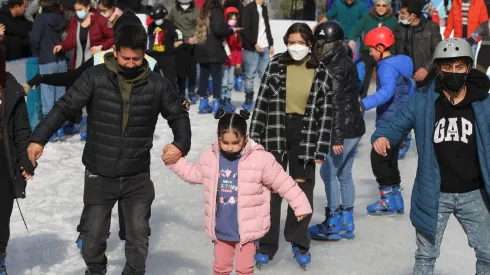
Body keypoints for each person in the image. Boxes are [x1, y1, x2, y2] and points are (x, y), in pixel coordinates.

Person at [27, 23, 191, 275]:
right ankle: (95, 270)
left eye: (137, 58)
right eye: (125, 57)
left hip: (136, 174)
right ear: (114, 51)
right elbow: (64, 107)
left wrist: (180, 144)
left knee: (138, 237)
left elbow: (178, 116)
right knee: (91, 239)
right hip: (99, 172)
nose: (130, 63)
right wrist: (39, 139)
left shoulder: (157, 84)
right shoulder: (95, 77)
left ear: (144, 54)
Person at [372, 38, 490, 275]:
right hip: (434, 193)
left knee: (488, 254)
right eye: (447, 67)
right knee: (425, 256)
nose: (453, 72)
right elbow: (396, 124)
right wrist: (383, 135)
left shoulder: (484, 101)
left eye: (459, 67)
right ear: (438, 69)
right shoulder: (424, 100)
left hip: (474, 193)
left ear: (468, 68)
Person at [166, 108, 312, 275]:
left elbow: (283, 182)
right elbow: (194, 174)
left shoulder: (260, 160)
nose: (229, 147)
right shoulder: (211, 158)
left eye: (235, 143)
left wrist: (300, 205)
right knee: (220, 268)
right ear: (218, 137)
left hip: (247, 231)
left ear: (245, 138)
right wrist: (174, 162)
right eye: (225, 142)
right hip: (221, 229)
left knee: (244, 269)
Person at [249, 22, 330, 270]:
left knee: (301, 190)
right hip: (275, 128)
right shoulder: (275, 64)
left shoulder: (320, 70)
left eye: (301, 42)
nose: (296, 47)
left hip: (305, 132)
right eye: (291, 42)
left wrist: (321, 146)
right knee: (270, 190)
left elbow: (325, 112)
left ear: (310, 44)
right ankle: (266, 244)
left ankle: (299, 241)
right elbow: (262, 101)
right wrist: (253, 138)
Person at [307, 21, 365, 241]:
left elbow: (336, 103)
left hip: (343, 130)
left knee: (329, 173)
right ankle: (347, 221)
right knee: (344, 174)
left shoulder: (336, 66)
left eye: (320, 44)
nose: (317, 48)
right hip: (354, 127)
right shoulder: (342, 60)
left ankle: (332, 222)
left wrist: (336, 137)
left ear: (330, 43)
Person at [360, 26, 414, 216]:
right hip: (402, 119)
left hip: (389, 120)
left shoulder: (386, 67)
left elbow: (387, 92)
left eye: (372, 49)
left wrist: (363, 104)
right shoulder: (403, 64)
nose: (370, 53)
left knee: (379, 158)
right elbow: (411, 88)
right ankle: (396, 198)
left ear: (381, 47)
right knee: (391, 160)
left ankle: (386, 200)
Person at [0, 39, 36, 275]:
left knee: (2, 212)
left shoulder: (11, 89)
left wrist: (26, 160)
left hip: (4, 160)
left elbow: (22, 130)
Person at [29, 0, 67, 142]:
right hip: (61, 60)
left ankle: (49, 131)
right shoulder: (61, 19)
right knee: (60, 96)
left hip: (46, 59)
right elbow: (65, 37)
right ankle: (60, 128)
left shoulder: (40, 19)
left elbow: (34, 38)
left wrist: (36, 51)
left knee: (47, 97)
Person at [194, 0, 239, 115]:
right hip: (213, 49)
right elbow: (219, 30)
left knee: (204, 76)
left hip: (202, 48)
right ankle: (216, 105)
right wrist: (230, 30)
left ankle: (203, 104)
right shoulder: (217, 10)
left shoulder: (204, 10)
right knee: (216, 78)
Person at [348, 0, 397, 98]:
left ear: (388, 7)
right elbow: (356, 29)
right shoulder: (367, 18)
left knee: (383, 79)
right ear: (374, 6)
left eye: (384, 5)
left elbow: (397, 36)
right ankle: (361, 102)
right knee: (364, 78)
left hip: (384, 53)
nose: (381, 8)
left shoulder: (392, 20)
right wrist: (352, 39)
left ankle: (382, 103)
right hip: (367, 51)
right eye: (378, 5)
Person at [53, 0, 113, 70]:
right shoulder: (74, 21)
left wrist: (101, 47)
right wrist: (61, 46)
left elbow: (113, 37)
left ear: (88, 7)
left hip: (95, 63)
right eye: (76, 10)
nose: (78, 12)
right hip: (78, 64)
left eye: (80, 9)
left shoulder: (100, 20)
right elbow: (70, 41)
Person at [394, 0, 442, 89]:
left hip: (426, 78)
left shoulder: (432, 28)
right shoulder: (398, 28)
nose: (399, 15)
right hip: (404, 79)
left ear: (413, 16)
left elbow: (439, 52)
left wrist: (426, 68)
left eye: (403, 13)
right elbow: (394, 52)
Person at [240, 0, 274, 111]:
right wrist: (254, 43)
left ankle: (267, 99)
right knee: (250, 75)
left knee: (265, 75)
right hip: (251, 48)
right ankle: (249, 98)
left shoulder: (264, 9)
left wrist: (271, 44)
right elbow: (245, 28)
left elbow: (267, 27)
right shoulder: (248, 8)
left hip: (264, 46)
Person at [168, 0, 200, 104]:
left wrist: (195, 37)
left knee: (191, 69)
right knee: (179, 69)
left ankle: (191, 90)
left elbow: (200, 26)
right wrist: (174, 35)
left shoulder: (195, 9)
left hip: (191, 43)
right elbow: (168, 23)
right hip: (179, 42)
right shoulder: (174, 9)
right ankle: (181, 91)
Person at [148, 4, 182, 93]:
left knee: (169, 77)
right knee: (154, 77)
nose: (156, 21)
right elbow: (149, 38)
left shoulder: (169, 25)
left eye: (158, 19)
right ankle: (157, 95)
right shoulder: (151, 26)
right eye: (155, 19)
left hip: (166, 55)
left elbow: (179, 34)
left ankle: (174, 95)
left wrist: (178, 42)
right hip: (154, 55)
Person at [221, 7, 242, 112]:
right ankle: (222, 100)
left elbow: (238, 47)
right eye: (231, 19)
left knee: (230, 82)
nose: (233, 21)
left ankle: (228, 100)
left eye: (235, 19)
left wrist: (239, 60)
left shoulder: (236, 32)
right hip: (225, 61)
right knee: (224, 82)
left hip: (233, 61)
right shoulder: (224, 31)